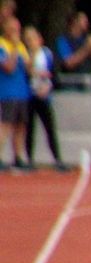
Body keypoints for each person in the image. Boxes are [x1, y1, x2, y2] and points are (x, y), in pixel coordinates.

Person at [23, 24, 65, 170]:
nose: (31, 42)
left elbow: (54, 74)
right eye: (28, 39)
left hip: (44, 95)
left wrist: (48, 87)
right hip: (30, 96)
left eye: (33, 38)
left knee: (50, 128)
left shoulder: (47, 54)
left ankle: (57, 159)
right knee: (30, 129)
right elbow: (26, 74)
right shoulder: (26, 55)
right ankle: (29, 159)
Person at [0, 14, 31, 171]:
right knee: (5, 125)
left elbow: (29, 68)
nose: (15, 32)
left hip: (22, 92)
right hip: (7, 92)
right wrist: (13, 48)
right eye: (12, 29)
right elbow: (9, 68)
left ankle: (18, 156)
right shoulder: (2, 45)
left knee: (21, 126)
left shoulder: (20, 46)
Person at [55, 11, 91, 91]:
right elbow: (69, 63)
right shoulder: (63, 40)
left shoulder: (86, 38)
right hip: (70, 83)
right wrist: (87, 48)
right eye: (84, 20)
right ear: (75, 21)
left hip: (86, 81)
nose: (87, 23)